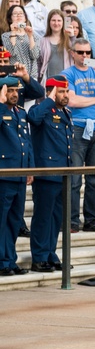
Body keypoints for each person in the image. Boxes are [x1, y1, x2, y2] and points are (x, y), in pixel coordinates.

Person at [63, 40, 95, 232]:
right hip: (77, 126)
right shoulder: (68, 73)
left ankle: (92, 219)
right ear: (72, 53)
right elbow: (72, 101)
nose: (85, 56)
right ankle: (72, 221)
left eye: (88, 52)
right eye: (81, 52)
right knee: (74, 178)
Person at [27, 75, 73, 272]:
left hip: (62, 173)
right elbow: (32, 117)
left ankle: (50, 254)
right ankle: (38, 257)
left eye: (66, 91)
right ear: (51, 91)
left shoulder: (65, 113)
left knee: (56, 218)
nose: (64, 95)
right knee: (43, 217)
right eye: (60, 91)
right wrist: (49, 99)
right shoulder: (44, 110)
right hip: (47, 173)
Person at [0, 75, 34, 276]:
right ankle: (2, 261)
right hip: (4, 175)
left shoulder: (20, 113)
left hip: (20, 174)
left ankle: (9, 260)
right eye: (10, 90)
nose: (14, 94)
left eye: (16, 91)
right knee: (2, 220)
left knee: (14, 221)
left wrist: (29, 167)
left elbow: (26, 142)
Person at [2, 5, 40, 81]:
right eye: (15, 13)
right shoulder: (5, 36)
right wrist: (13, 32)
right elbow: (11, 53)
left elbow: (35, 55)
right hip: (14, 75)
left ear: (25, 18)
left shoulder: (34, 36)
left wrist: (30, 36)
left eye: (21, 13)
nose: (18, 15)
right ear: (10, 18)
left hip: (31, 75)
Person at [39, 10, 73, 80]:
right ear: (49, 22)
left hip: (66, 78)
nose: (56, 23)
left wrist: (72, 37)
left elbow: (77, 54)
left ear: (63, 22)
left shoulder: (69, 39)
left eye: (59, 20)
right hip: (48, 78)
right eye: (53, 20)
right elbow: (39, 61)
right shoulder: (43, 40)